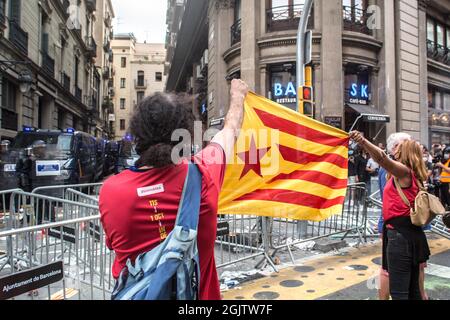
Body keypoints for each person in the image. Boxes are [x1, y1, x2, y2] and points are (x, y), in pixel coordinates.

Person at [99, 79, 249, 300]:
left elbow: (114, 245)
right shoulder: (203, 174)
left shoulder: (110, 191)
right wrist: (238, 97)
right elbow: (229, 131)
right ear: (185, 133)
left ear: (138, 133)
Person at [351, 131, 430, 300]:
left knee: (400, 292)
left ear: (405, 153)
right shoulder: (411, 173)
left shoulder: (404, 173)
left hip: (400, 237)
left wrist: (363, 141)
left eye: (398, 149)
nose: (394, 152)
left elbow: (381, 159)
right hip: (409, 234)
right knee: (412, 291)